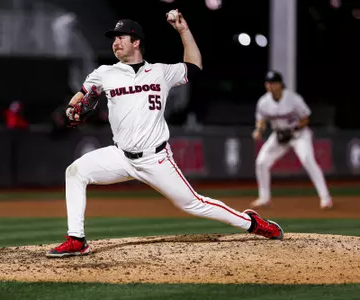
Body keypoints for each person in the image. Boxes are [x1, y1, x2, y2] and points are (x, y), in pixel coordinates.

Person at [46, 10, 284, 258]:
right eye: (113, 38)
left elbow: (195, 67)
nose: (115, 42)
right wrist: (71, 108)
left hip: (155, 159)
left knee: (194, 204)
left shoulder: (160, 72)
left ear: (136, 41)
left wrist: (183, 30)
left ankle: (252, 223)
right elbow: (82, 93)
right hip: (122, 157)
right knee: (75, 172)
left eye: (121, 37)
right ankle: (77, 239)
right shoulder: (105, 73)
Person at [251, 71, 333, 210]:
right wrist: (259, 130)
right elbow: (261, 121)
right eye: (268, 83)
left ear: (280, 84)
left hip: (298, 135)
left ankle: (325, 198)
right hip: (279, 136)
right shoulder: (263, 102)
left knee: (307, 159)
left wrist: (293, 129)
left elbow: (305, 118)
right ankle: (264, 198)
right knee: (261, 162)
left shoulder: (293, 99)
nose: (270, 85)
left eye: (273, 83)